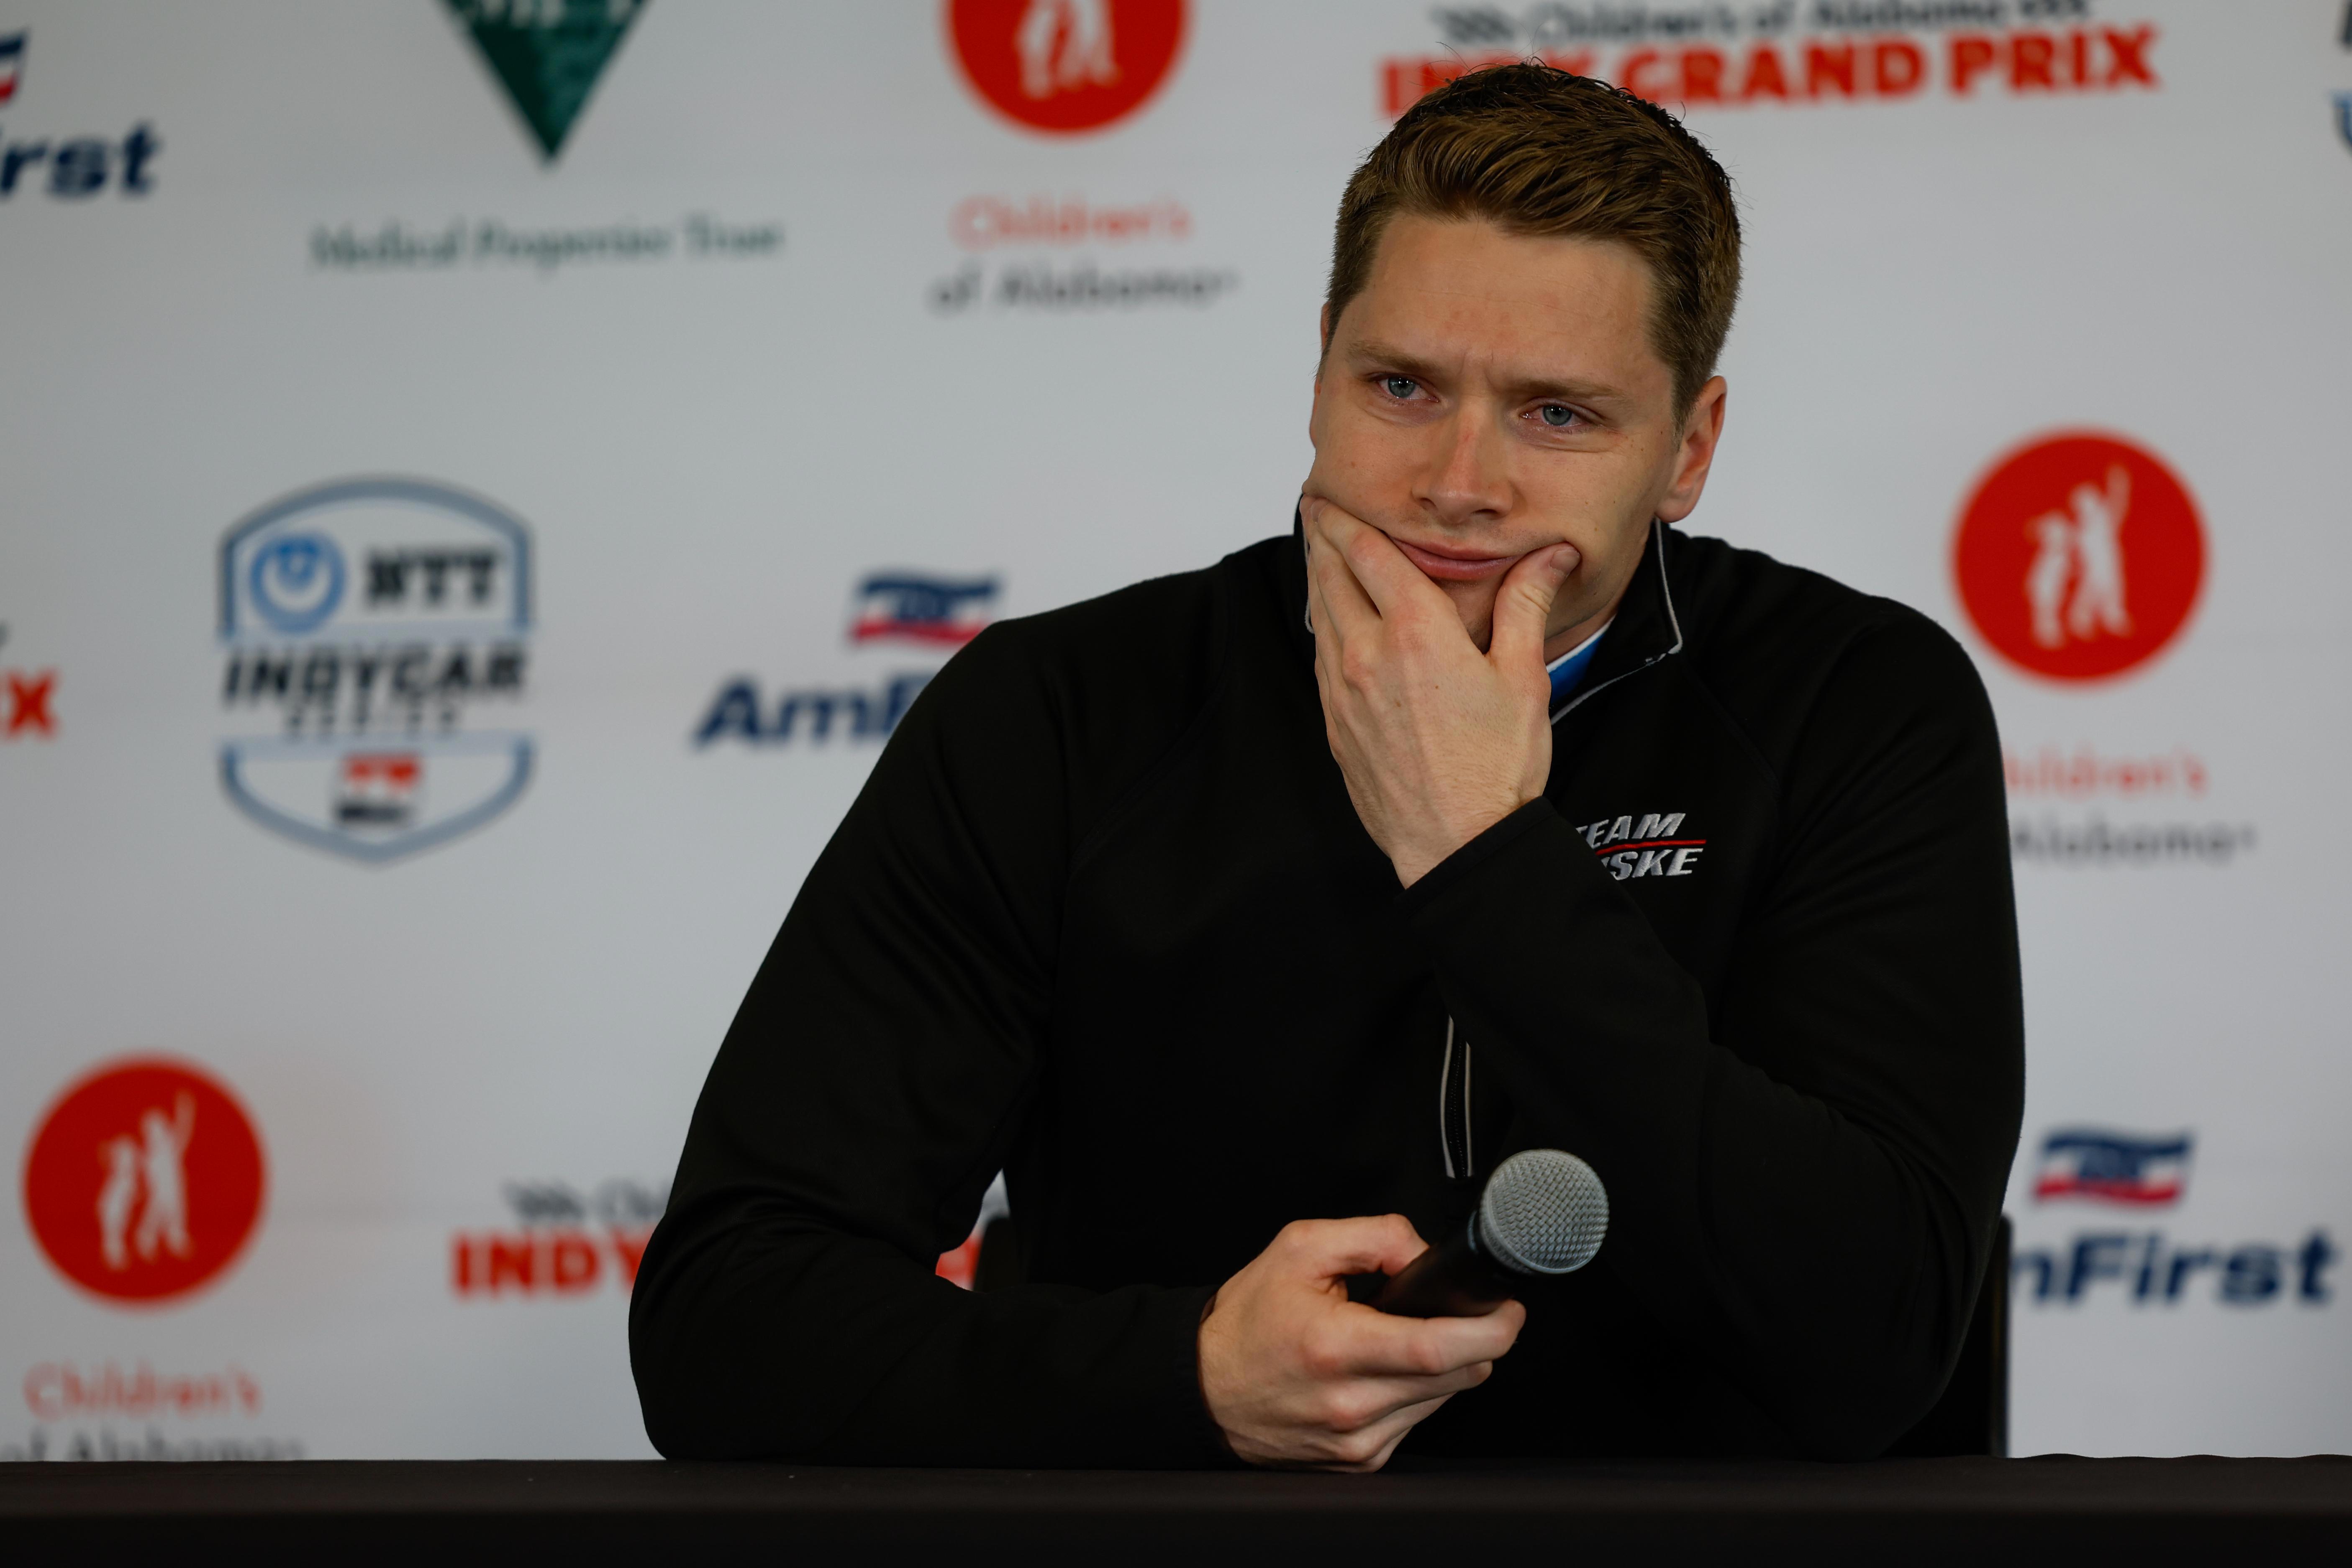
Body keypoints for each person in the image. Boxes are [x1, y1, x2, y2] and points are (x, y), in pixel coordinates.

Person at [630, 64, 2023, 1470]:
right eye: (1402, 385)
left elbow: (1876, 1340)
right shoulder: (1059, 711)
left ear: (1688, 448)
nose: (1458, 481)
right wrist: (1182, 1376)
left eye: (1559, 414)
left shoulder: (1857, 703)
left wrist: (1482, 853)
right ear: (1318, 371)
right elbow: (724, 1328)